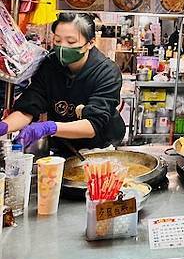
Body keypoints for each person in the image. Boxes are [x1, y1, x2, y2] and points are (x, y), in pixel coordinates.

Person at [0, 12, 125, 157]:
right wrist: (5, 126)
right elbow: (30, 106)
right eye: (57, 41)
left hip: (100, 148)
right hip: (63, 145)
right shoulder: (50, 64)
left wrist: (49, 127)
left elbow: (92, 125)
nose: (62, 48)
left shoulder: (107, 72)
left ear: (90, 43)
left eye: (71, 42)